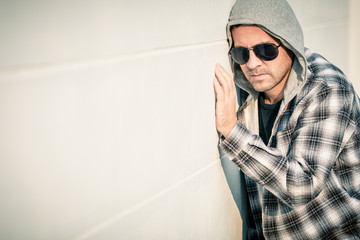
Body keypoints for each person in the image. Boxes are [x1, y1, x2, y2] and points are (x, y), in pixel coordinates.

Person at [213, 0, 360, 239]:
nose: (252, 64)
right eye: (242, 53)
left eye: (266, 50)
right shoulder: (244, 89)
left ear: (290, 42)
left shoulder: (327, 88)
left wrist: (231, 131)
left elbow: (302, 185)